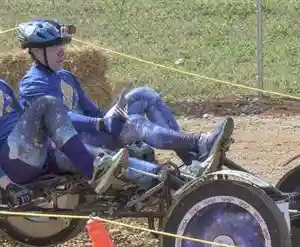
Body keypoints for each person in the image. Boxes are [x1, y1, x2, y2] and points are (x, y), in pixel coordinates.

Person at [0, 21, 230, 206]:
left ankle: (168, 180)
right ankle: (96, 168)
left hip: (39, 150)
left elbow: (30, 118)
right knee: (49, 105)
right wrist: (7, 186)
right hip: (11, 162)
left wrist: (111, 122)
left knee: (131, 108)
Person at [12, 18, 221, 181]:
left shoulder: (65, 76)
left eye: (62, 45)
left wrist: (116, 121)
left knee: (143, 95)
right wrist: (103, 125)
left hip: (93, 134)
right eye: (54, 46)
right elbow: (62, 119)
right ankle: (197, 144)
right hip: (71, 147)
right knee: (136, 124)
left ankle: (193, 161)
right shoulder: (32, 84)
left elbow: (91, 110)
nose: (62, 51)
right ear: (38, 51)